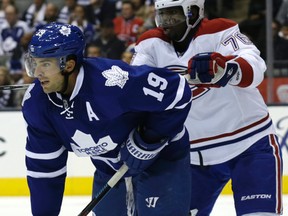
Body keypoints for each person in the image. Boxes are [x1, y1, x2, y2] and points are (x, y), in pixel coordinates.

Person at [22, 22, 192, 216]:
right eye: (34, 63)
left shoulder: (114, 82)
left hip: (161, 159)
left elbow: (178, 92)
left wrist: (148, 139)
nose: (37, 73)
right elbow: (45, 171)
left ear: (68, 65)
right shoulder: (37, 104)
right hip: (110, 170)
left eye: (45, 64)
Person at [131, 0, 283, 215]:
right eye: (162, 16)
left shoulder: (219, 30)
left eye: (173, 15)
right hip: (194, 157)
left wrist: (227, 69)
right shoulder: (150, 43)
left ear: (193, 13)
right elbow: (135, 85)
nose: (166, 23)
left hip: (249, 144)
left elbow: (255, 64)